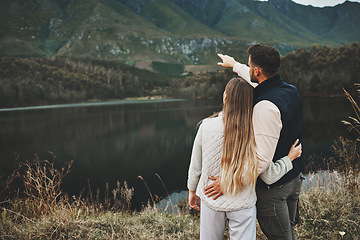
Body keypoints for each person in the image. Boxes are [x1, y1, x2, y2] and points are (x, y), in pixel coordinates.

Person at [205, 44, 304, 239]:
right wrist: (234, 65)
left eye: (249, 65)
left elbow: (261, 161)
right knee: (289, 231)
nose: (248, 68)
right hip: (294, 177)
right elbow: (256, 82)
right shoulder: (290, 90)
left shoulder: (264, 107)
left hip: (274, 190)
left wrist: (228, 182)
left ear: (256, 70)